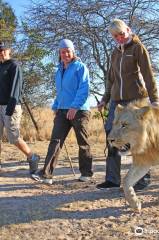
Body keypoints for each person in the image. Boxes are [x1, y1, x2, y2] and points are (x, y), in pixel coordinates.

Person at [96, 19, 159, 190]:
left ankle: (142, 179)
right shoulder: (115, 53)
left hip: (135, 100)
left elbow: (148, 76)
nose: (119, 38)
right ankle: (112, 179)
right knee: (112, 134)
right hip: (117, 101)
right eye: (115, 36)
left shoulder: (138, 48)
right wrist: (105, 99)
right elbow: (111, 79)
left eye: (121, 34)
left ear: (128, 30)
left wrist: (155, 101)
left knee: (138, 138)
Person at [31, 39, 93, 184]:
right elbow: (61, 92)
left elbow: (84, 90)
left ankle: (86, 174)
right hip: (62, 110)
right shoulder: (59, 70)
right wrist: (56, 106)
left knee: (83, 142)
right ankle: (46, 175)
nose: (65, 54)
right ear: (59, 53)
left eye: (68, 51)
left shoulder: (80, 67)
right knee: (55, 141)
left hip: (79, 110)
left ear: (73, 52)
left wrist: (74, 107)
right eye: (62, 52)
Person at [0, 42, 40, 173]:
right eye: (0, 50)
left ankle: (32, 157)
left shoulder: (14, 65)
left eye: (4, 50)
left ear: (9, 50)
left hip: (11, 106)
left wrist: (10, 109)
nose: (1, 52)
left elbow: (16, 89)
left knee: (13, 137)